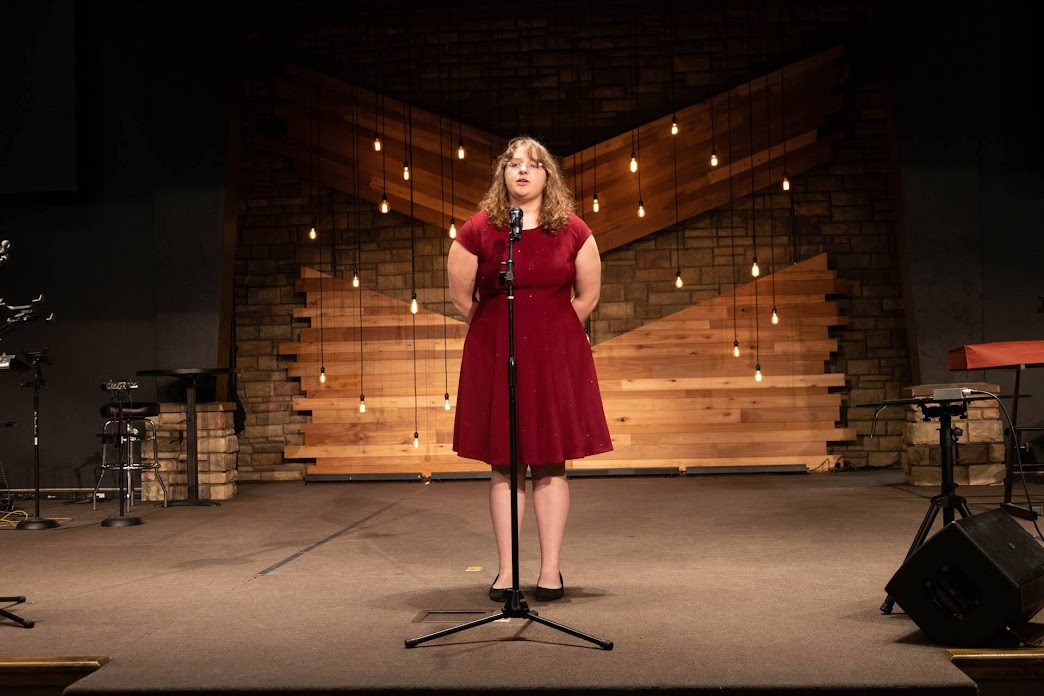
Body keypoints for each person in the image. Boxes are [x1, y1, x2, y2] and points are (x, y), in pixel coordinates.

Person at [447, 136, 613, 602]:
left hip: (555, 356)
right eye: (514, 163)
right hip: (495, 351)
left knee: (550, 461)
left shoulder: (573, 229)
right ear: (502, 173)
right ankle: (506, 571)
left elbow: (588, 296)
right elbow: (462, 298)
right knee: (505, 462)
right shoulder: (479, 229)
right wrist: (501, 333)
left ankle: (551, 570)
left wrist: (550, 334)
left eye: (533, 165)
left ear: (547, 176)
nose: (522, 171)